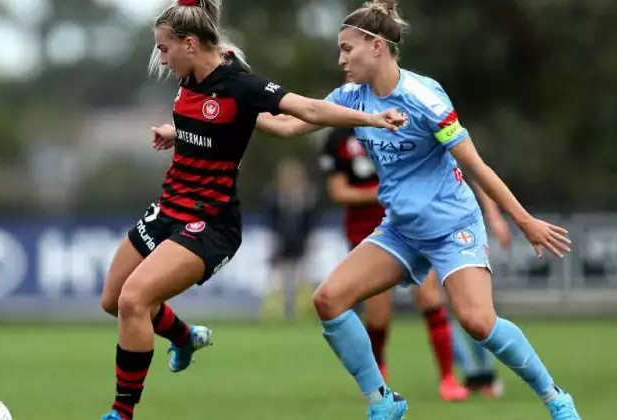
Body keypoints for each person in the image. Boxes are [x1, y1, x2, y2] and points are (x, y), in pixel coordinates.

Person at [254, 1, 580, 419]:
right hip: (400, 230)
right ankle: (383, 402)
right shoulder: (350, 98)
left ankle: (556, 398)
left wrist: (524, 221)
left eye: (346, 49)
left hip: (451, 227)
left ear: (376, 47)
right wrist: (234, 107)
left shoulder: (424, 97)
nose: (340, 59)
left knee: (478, 322)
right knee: (329, 300)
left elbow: (475, 165)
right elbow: (285, 126)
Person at [98, 1, 403, 419]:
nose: (161, 59)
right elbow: (206, 123)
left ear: (190, 44)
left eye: (165, 49)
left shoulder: (241, 84)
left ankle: (120, 412)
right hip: (168, 207)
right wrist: (176, 131)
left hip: (210, 222)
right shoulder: (189, 77)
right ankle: (185, 337)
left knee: (135, 298)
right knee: (113, 300)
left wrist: (372, 119)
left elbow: (309, 110)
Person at [320, 126, 509, 401]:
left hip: (414, 224)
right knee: (379, 314)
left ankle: (449, 378)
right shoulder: (338, 137)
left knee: (432, 297)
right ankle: (379, 383)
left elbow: (466, 162)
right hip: (366, 232)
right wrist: (387, 191)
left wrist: (492, 213)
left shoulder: (405, 117)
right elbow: (339, 191)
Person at [263, 158, 320, 322]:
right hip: (281, 244)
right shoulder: (274, 194)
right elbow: (271, 219)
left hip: (301, 243)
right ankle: (277, 315)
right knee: (278, 282)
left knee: (302, 281)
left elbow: (311, 220)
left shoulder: (308, 195)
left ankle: (303, 314)